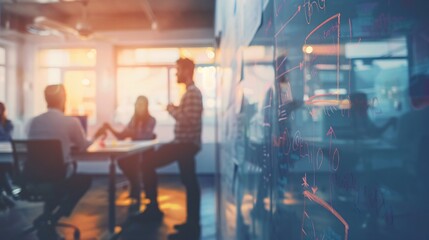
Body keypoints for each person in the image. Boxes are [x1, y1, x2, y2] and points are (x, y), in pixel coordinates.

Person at [132, 58, 203, 240]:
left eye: (178, 70)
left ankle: (155, 210)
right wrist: (176, 109)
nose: (176, 74)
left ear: (187, 71)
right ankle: (191, 223)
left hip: (185, 145)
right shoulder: (189, 93)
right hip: (182, 144)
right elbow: (188, 117)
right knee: (189, 181)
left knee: (148, 163)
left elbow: (190, 120)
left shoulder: (193, 93)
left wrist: (172, 109)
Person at [27, 84, 105, 238]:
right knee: (84, 180)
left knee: (53, 181)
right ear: (63, 99)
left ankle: (46, 218)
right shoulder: (70, 122)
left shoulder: (34, 122)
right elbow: (83, 147)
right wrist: (96, 136)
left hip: (34, 177)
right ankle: (52, 218)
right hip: (59, 176)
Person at [103, 95, 156, 199]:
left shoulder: (151, 120)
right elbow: (121, 136)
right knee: (121, 160)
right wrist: (110, 128)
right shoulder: (133, 120)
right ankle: (135, 182)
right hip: (133, 153)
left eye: (141, 104)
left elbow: (144, 136)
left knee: (134, 162)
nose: (139, 107)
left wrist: (131, 133)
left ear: (146, 106)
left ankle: (136, 184)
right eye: (137, 104)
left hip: (145, 154)